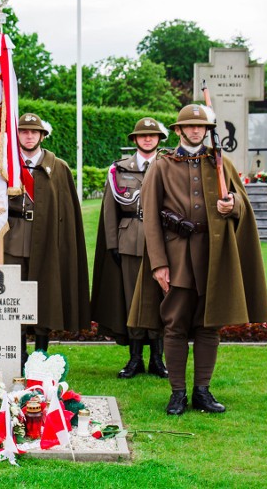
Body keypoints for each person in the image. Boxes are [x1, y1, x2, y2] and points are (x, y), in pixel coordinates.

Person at [129, 104, 267, 415]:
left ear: (207, 130)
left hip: (213, 256)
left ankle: (202, 392)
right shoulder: (162, 166)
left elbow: (242, 206)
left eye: (201, 127)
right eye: (189, 126)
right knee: (175, 325)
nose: (195, 131)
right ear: (178, 130)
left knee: (210, 326)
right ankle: (178, 393)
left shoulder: (221, 164)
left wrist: (231, 206)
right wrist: (159, 263)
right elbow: (150, 218)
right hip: (176, 257)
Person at [0, 112, 90, 364]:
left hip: (47, 241)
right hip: (12, 239)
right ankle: (18, 353)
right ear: (16, 135)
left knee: (45, 294)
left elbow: (67, 210)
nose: (29, 135)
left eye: (34, 132)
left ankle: (41, 354)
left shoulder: (59, 168)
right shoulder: (4, 166)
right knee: (12, 296)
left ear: (43, 135)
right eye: (24, 131)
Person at [91, 117, 169, 379]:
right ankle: (135, 358)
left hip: (163, 243)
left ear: (159, 139)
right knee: (132, 299)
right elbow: (110, 210)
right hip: (130, 241)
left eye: (152, 135)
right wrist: (113, 243)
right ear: (135, 140)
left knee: (161, 299)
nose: (148, 139)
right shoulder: (119, 170)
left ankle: (157, 358)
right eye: (142, 135)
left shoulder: (168, 166)